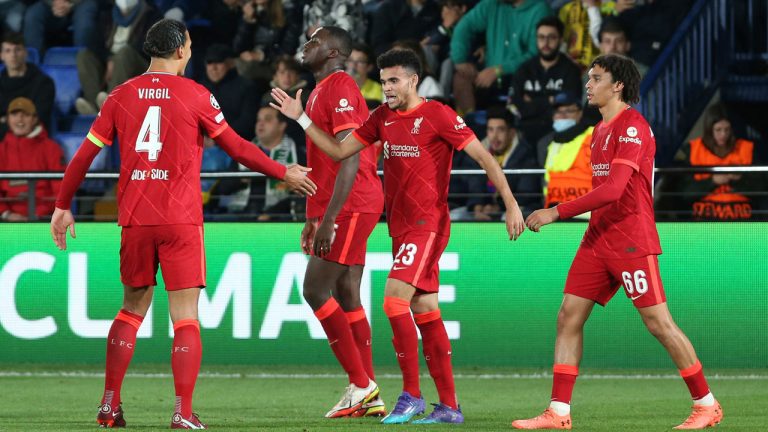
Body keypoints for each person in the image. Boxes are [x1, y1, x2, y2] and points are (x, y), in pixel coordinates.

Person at [49, 19, 316, 430]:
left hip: (137, 218)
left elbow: (84, 155)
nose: (190, 51)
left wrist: (62, 205)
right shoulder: (195, 94)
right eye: (189, 45)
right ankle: (182, 412)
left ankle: (109, 405)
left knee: (130, 310)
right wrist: (283, 172)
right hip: (180, 220)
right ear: (179, 50)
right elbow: (237, 147)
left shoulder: (120, 95)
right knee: (185, 316)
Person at [270, 48, 526, 424]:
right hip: (401, 228)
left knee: (393, 302)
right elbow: (340, 151)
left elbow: (485, 158)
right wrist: (302, 118)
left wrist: (511, 204)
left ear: (413, 80)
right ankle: (449, 407)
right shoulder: (381, 118)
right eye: (383, 80)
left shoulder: (438, 115)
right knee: (425, 309)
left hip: (427, 225)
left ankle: (411, 396)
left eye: (394, 80)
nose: (387, 87)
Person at [515, 54, 722, 430]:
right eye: (589, 78)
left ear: (618, 85)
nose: (588, 85)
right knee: (568, 317)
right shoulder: (599, 130)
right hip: (598, 238)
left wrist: (556, 211)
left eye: (596, 78)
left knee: (658, 323)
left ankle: (706, 405)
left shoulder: (632, 127)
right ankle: (558, 412)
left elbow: (613, 190)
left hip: (630, 238)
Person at [293, 25, 385, 419]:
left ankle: (361, 385)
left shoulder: (341, 86)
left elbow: (350, 156)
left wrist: (330, 219)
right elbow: (323, 163)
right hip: (342, 203)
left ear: (333, 53)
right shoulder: (320, 90)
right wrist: (314, 216)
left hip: (352, 203)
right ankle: (367, 390)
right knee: (347, 293)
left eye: (314, 41)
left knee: (314, 289)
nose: (306, 45)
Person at [450, 0, 552, 113]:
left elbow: (537, 55)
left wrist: (500, 70)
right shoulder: (491, 4)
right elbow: (464, 27)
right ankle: (468, 121)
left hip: (522, 76)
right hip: (488, 73)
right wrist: (460, 59)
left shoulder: (540, 10)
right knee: (462, 76)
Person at [673, 103, 762, 220]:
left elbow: (760, 188)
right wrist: (713, 181)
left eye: (727, 129)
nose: (723, 135)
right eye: (718, 130)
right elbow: (684, 192)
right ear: (709, 129)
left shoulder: (746, 149)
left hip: (743, 220)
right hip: (704, 220)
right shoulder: (693, 150)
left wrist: (738, 179)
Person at [74, 0, 161, 114]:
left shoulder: (152, 14)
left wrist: (116, 59)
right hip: (110, 61)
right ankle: (94, 105)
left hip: (139, 64)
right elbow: (95, 42)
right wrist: (109, 58)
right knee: (84, 56)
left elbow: (149, 47)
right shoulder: (106, 13)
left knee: (124, 53)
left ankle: (111, 104)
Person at [510, 15, 582, 146]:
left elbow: (567, 109)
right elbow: (517, 106)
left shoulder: (570, 70)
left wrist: (532, 103)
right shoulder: (524, 69)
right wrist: (551, 100)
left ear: (560, 40)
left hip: (556, 131)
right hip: (524, 132)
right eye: (541, 37)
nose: (546, 43)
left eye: (551, 37)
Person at [0, 97, 65, 221]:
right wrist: (6, 214)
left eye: (26, 115)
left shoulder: (51, 148)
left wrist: (39, 215)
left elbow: (61, 188)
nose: (20, 119)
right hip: (7, 220)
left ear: (34, 119)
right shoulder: (1, 150)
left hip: (45, 218)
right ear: (8, 119)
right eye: (14, 115)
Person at [537, 92, 593, 210]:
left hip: (585, 214)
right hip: (555, 213)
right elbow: (547, 180)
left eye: (569, 111)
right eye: (558, 112)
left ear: (580, 113)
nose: (562, 116)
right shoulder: (549, 143)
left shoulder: (594, 135)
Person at [0, 32, 55, 135]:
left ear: (25, 53)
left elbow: (38, 119)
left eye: (17, 50)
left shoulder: (43, 83)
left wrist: (4, 120)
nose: (13, 55)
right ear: (1, 55)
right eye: (8, 51)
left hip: (32, 138)